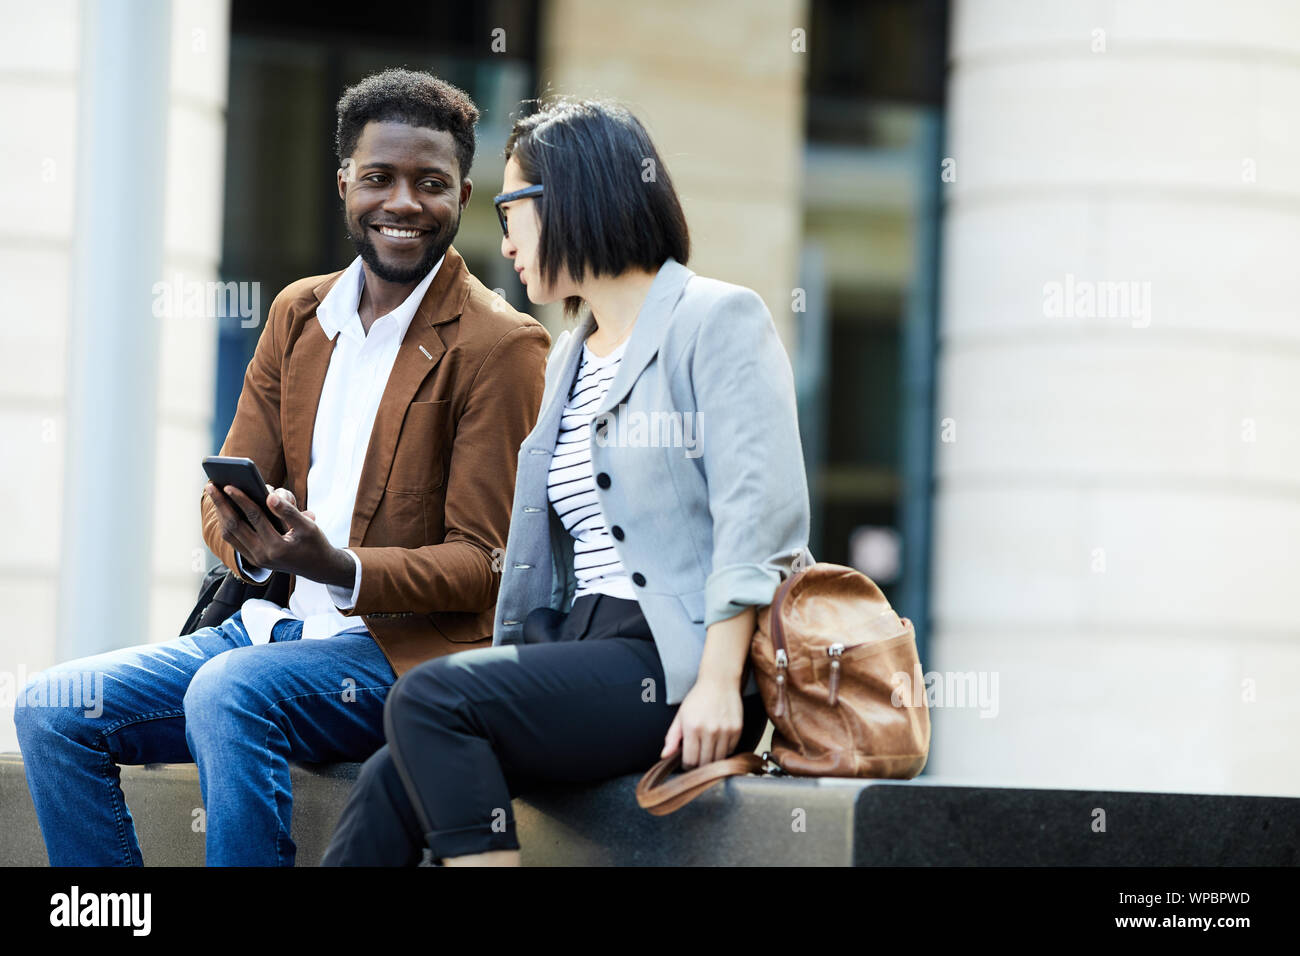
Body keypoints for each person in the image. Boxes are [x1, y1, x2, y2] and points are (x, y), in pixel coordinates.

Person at [13, 69, 549, 866]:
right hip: (261, 629)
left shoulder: (501, 346)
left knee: (231, 693)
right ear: (344, 185)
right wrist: (252, 541)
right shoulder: (300, 314)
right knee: (51, 707)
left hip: (396, 658)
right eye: (379, 178)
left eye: (430, 183)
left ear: (462, 194)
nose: (404, 202)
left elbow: (486, 566)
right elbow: (221, 493)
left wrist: (335, 565)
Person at [322, 98, 810, 867]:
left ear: (571, 198)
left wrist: (718, 682)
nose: (504, 237)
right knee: (393, 773)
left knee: (429, 699)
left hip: (670, 661)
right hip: (579, 647)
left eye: (511, 207)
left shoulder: (716, 321)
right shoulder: (567, 359)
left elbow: (761, 515)